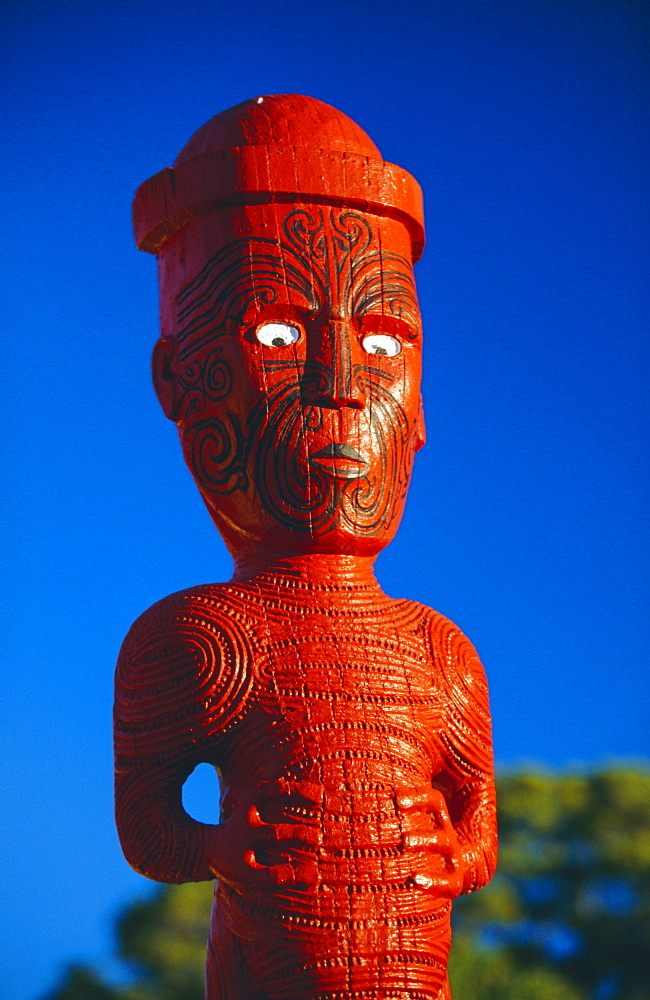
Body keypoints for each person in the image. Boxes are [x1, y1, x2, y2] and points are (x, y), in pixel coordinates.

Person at [115, 95, 497, 1000]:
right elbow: (148, 828)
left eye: (381, 339)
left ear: (419, 408)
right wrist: (220, 847)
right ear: (183, 380)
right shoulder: (200, 639)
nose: (340, 386)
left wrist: (457, 854)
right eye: (278, 334)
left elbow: (479, 825)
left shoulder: (440, 654)